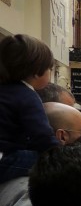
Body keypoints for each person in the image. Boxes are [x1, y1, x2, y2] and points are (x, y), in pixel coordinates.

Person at [0, 34, 59, 185]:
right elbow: (43, 136)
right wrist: (62, 156)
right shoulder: (27, 96)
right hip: (7, 161)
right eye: (49, 69)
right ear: (36, 71)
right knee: (46, 159)